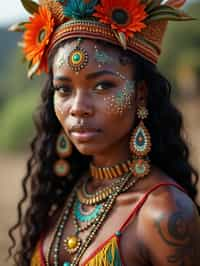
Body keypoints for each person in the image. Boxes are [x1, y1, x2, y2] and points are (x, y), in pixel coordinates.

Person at [8, 0, 200, 265]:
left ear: (140, 93)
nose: (78, 108)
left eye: (102, 86)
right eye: (64, 89)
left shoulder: (164, 214)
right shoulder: (63, 194)